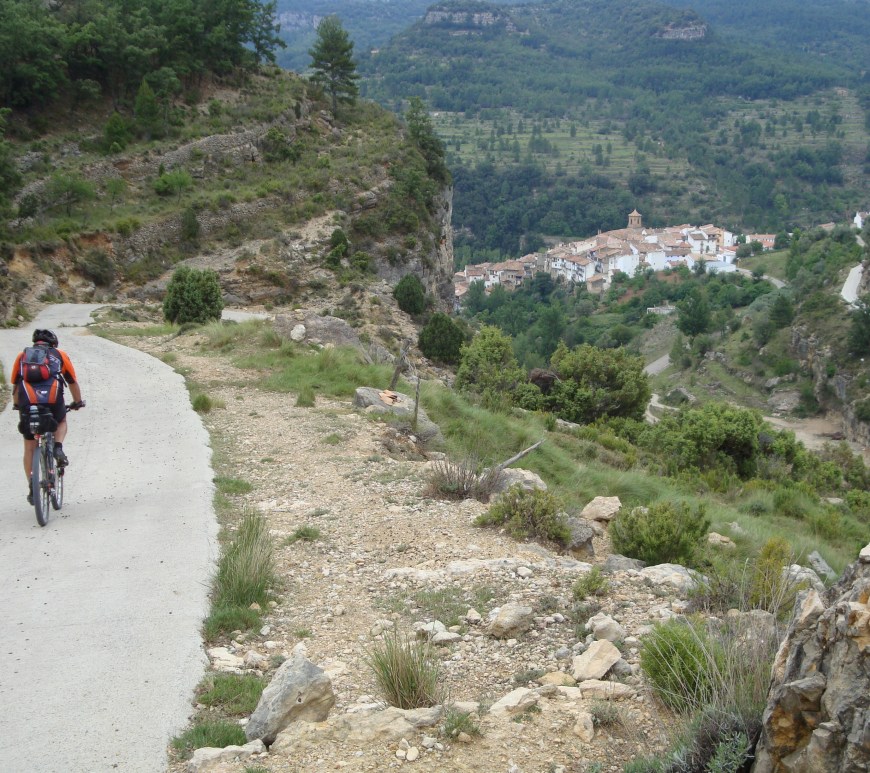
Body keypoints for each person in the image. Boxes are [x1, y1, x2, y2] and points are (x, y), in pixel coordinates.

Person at [11, 329, 84, 503]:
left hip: (28, 403)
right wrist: (77, 402)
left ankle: (32, 485)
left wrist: (17, 405)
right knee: (61, 420)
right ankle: (58, 447)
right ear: (53, 343)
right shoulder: (59, 355)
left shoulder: (22, 356)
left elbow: (16, 384)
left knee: (29, 446)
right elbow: (71, 381)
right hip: (52, 401)